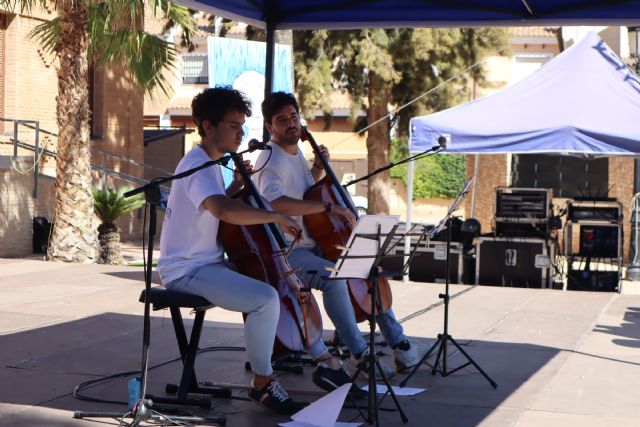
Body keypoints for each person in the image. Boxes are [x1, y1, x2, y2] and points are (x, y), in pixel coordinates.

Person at [156, 87, 356, 416]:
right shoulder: (197, 163)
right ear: (208, 126)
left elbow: (216, 204)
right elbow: (221, 210)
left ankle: (321, 356)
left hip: (211, 263)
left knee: (278, 280)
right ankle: (262, 383)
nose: (241, 133)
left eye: (242, 125)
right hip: (187, 270)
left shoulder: (210, 162)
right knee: (265, 298)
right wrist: (274, 215)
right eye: (234, 126)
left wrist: (236, 186)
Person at [253, 92, 429, 378]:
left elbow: (305, 191)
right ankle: (358, 354)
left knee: (365, 265)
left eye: (293, 117)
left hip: (313, 241)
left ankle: (400, 343)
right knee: (334, 278)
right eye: (281, 120)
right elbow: (276, 202)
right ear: (269, 127)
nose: (290, 124)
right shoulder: (270, 159)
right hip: (290, 250)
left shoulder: (295, 152)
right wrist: (327, 206)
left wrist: (319, 168)